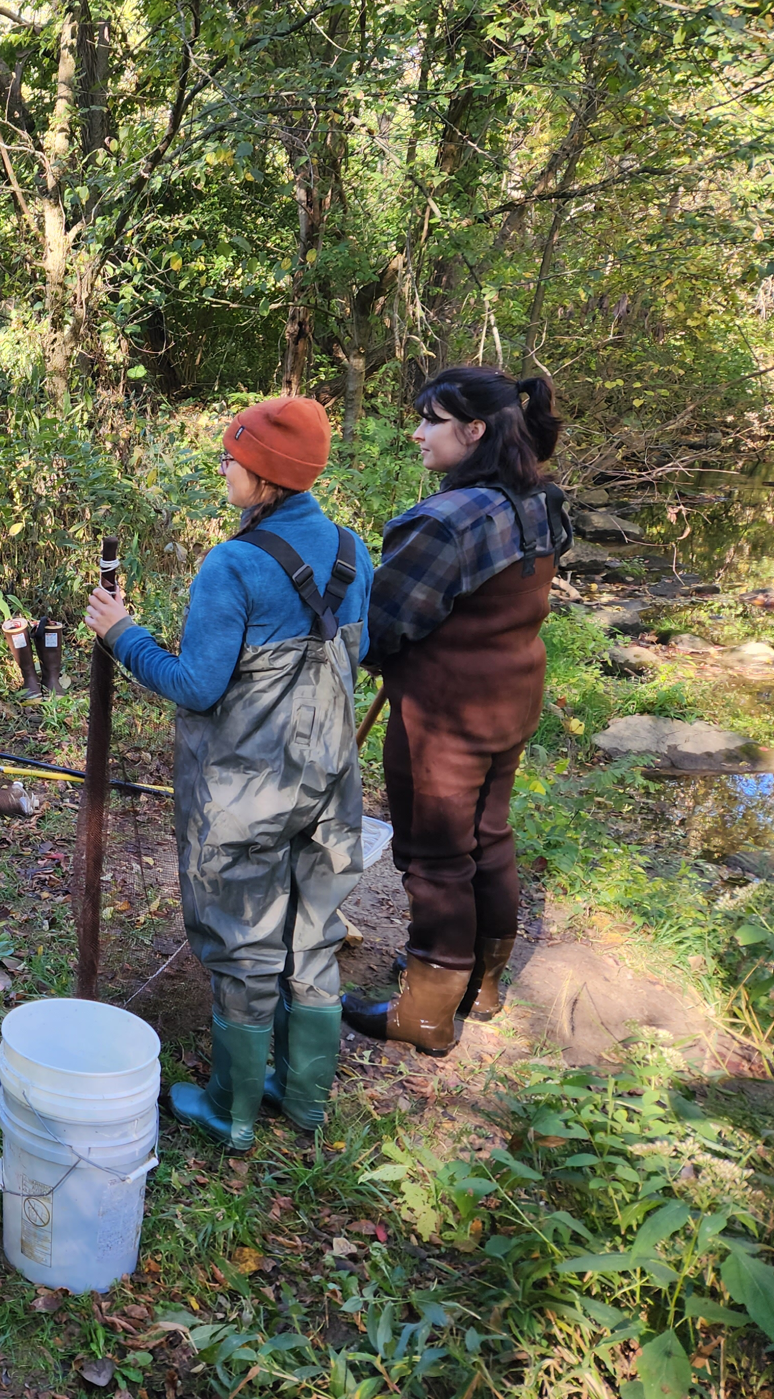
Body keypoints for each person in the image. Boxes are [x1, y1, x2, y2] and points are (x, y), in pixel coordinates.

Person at [86, 396, 372, 1151]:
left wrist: (123, 634)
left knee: (244, 943)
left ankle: (233, 1109)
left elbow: (196, 686)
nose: (223, 469)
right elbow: (358, 649)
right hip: (329, 778)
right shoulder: (350, 550)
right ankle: (303, 1099)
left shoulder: (234, 564)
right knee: (314, 936)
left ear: (266, 476)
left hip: (247, 786)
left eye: (231, 460)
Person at [343, 368, 568, 1057]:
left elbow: (381, 630)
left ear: (473, 431)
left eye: (430, 419)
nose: (416, 431)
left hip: (444, 715)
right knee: (489, 836)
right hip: (512, 699)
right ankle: (484, 987)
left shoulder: (442, 523)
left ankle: (428, 1012)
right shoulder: (544, 502)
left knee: (436, 858)